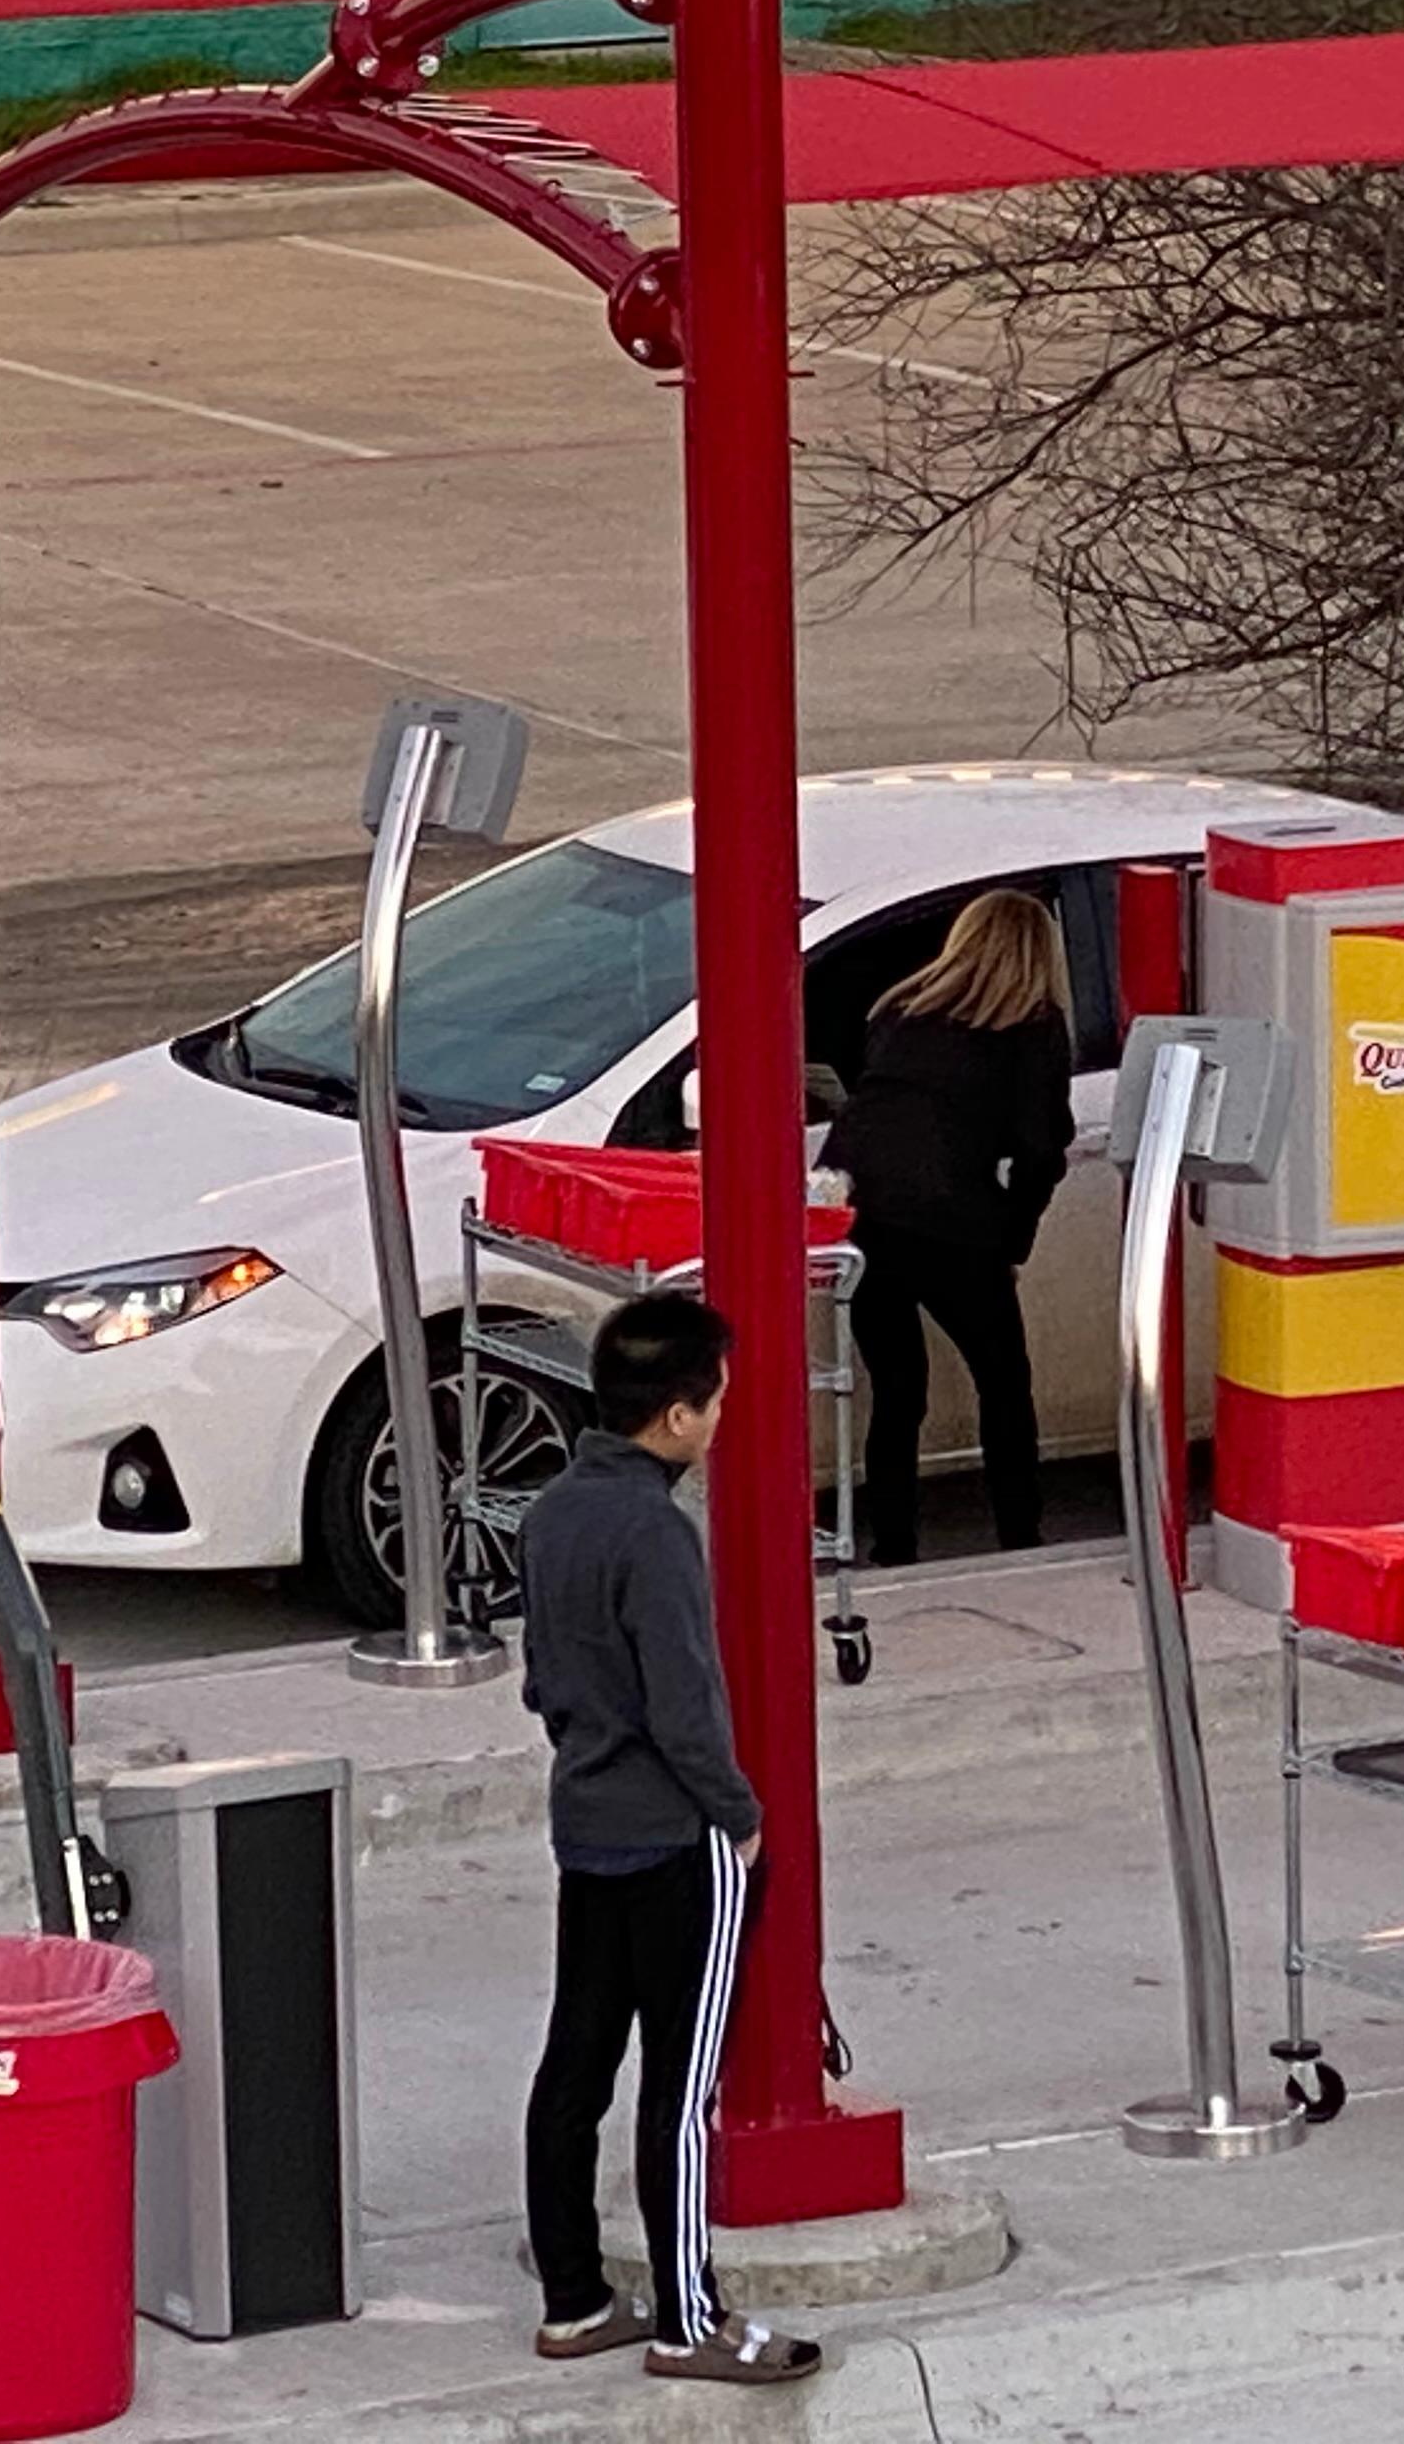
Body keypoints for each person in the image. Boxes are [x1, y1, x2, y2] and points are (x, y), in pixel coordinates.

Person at [515, 1293, 823, 2387]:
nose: (725, 1415)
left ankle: (572, 2299)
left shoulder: (551, 1514)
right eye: (720, 1398)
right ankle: (689, 2319)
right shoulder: (656, 1531)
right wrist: (740, 1819)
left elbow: (543, 1682)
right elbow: (686, 1706)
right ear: (680, 1418)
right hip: (675, 1843)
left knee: (575, 2067)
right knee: (681, 2096)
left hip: (585, 1829)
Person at [822, 889, 1076, 1567]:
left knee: (896, 1389)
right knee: (1003, 1383)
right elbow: (1040, 1150)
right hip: (953, 1223)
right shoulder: (1031, 1026)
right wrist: (1014, 1237)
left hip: (859, 1213)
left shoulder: (898, 1008)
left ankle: (893, 1544)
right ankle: (1019, 1535)